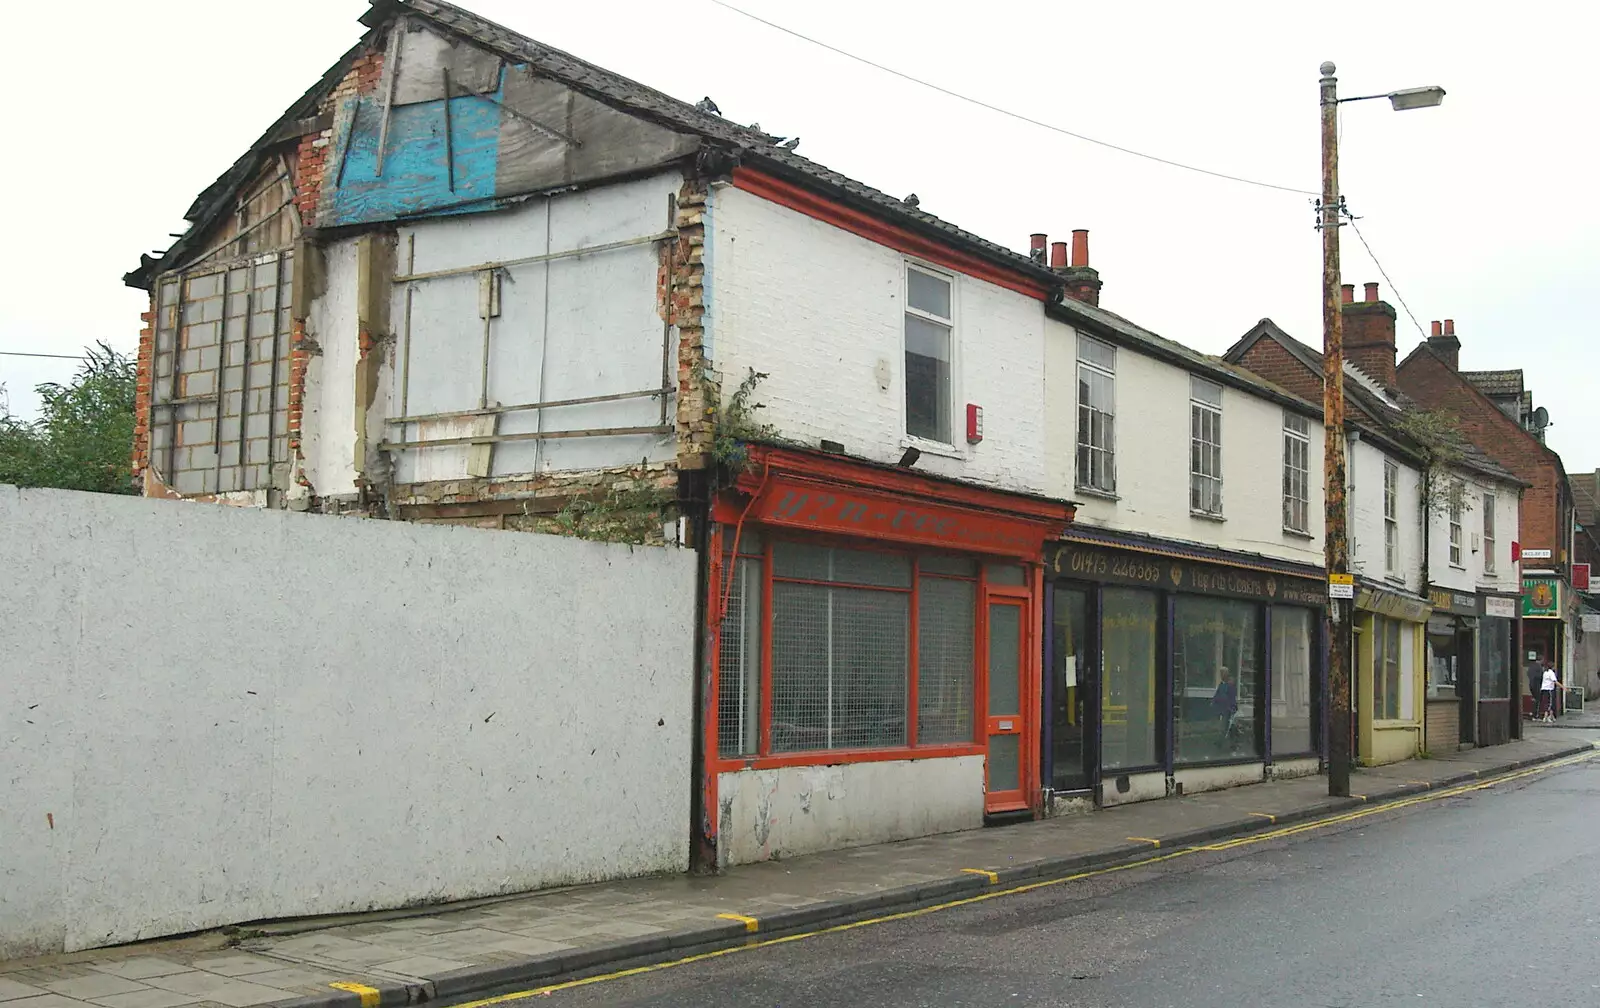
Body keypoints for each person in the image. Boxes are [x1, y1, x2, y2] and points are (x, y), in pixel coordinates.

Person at [1213, 668, 1239, 750]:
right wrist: (1214, 701)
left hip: (1229, 709)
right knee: (1227, 726)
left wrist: (1233, 707)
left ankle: (1228, 743)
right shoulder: (1222, 684)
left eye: (1223, 673)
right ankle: (1230, 743)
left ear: (1226, 674)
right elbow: (1218, 694)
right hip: (1223, 708)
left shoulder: (1230, 684)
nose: (1221, 675)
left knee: (1227, 726)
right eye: (1221, 673)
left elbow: (1232, 697)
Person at [1539, 659, 1563, 723]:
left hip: (1544, 689)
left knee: (1546, 703)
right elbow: (1555, 682)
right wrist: (1563, 687)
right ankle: (1547, 717)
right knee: (1550, 704)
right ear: (1552, 667)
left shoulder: (1545, 672)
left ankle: (1550, 716)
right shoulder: (1551, 673)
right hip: (1549, 689)